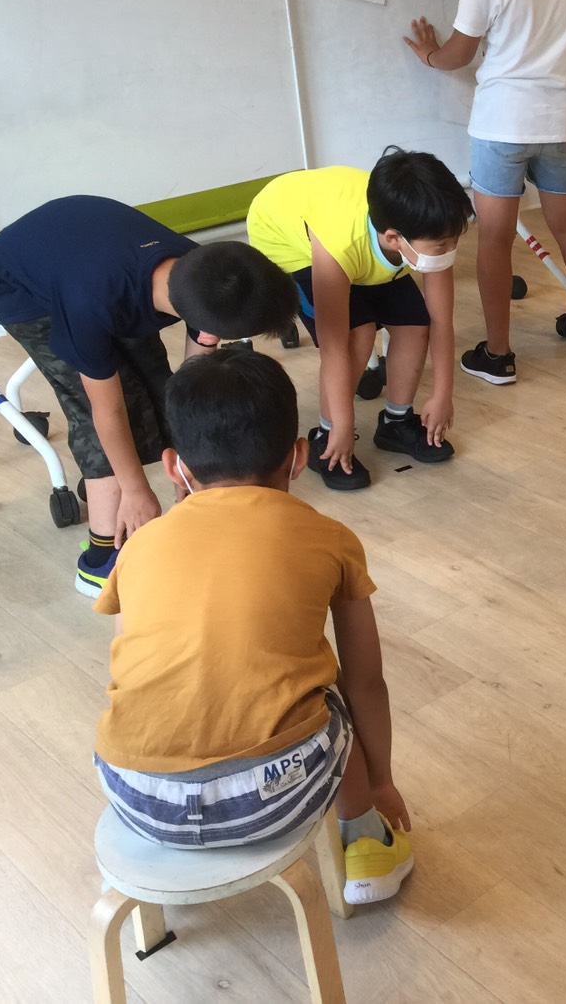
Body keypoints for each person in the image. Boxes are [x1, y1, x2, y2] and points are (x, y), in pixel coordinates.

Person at [92, 348, 414, 905]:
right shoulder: (330, 538)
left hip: (135, 794)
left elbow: (125, 667)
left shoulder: (139, 546)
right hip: (274, 796)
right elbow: (366, 681)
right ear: (297, 457)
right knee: (329, 697)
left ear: (174, 466)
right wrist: (382, 783)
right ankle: (366, 844)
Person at [0, 196, 296, 597]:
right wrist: (135, 490)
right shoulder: (90, 304)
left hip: (91, 263)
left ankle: (128, 488)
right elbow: (106, 410)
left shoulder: (207, 273)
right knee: (101, 409)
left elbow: (191, 382)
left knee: (156, 385)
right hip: (20, 288)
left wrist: (190, 463)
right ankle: (101, 556)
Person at [403, 0, 566, 386]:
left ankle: (498, 354)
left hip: (502, 124)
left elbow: (460, 53)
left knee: (495, 239)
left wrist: (429, 55)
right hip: (559, 120)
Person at [247, 147, 471, 490]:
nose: (450, 250)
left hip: (356, 239)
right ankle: (325, 437)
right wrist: (342, 424)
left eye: (454, 241)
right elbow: (333, 346)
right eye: (442, 245)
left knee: (415, 323)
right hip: (288, 241)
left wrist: (443, 394)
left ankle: (396, 423)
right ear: (395, 238)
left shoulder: (426, 228)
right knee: (358, 334)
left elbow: (441, 320)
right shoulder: (341, 245)